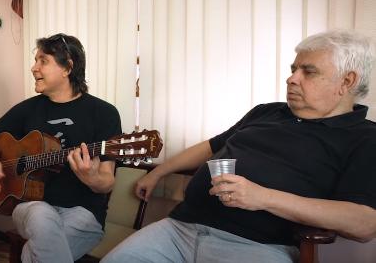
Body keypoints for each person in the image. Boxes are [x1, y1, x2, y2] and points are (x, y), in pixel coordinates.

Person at [102, 30, 376, 263]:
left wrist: (263, 197)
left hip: (256, 247)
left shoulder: (364, 137)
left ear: (347, 82)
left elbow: (364, 223)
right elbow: (210, 147)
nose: (292, 79)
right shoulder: (266, 113)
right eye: (294, 70)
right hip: (178, 229)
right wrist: (158, 173)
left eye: (309, 71)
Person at [0, 33, 122, 263]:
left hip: (83, 213)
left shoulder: (104, 113)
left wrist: (91, 177)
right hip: (30, 206)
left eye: (42, 61)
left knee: (32, 254)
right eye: (35, 60)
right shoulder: (28, 109)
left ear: (67, 68)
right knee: (41, 214)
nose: (33, 67)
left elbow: (107, 182)